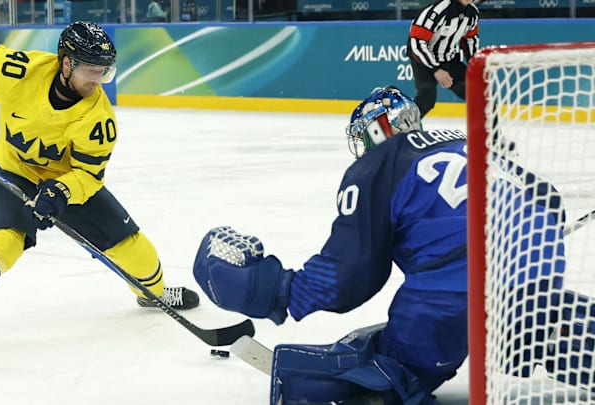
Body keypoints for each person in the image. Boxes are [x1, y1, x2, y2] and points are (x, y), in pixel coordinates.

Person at [192, 86, 567, 404]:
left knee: (393, 369)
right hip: (541, 263)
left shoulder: (377, 167)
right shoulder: (466, 140)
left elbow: (350, 274)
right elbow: (548, 198)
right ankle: (548, 330)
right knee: (549, 325)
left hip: (453, 285)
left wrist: (278, 292)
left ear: (376, 131)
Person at [0, 21, 199, 362]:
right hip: (14, 173)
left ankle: (153, 293)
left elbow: (88, 176)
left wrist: (60, 191)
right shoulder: (18, 70)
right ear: (66, 63)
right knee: (2, 244)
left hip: (67, 184)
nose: (97, 80)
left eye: (104, 71)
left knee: (135, 249)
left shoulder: (98, 119)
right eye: (91, 70)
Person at [407, 0, 479, 117]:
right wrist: (436, 69)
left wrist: (474, 65)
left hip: (450, 59)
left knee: (478, 94)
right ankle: (400, 129)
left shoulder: (472, 13)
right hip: (424, 61)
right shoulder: (437, 11)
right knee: (426, 99)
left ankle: (492, 133)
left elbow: (470, 39)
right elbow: (416, 42)